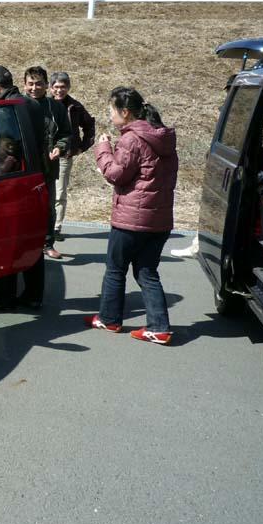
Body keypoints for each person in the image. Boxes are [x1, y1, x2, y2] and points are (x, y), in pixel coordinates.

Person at [88, 87, 178, 345]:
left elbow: (116, 174)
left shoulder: (131, 139)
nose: (110, 115)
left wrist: (103, 148)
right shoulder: (164, 138)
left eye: (112, 110)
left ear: (125, 112)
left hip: (131, 219)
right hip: (159, 219)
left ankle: (109, 318)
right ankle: (159, 327)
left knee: (115, 269)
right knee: (147, 271)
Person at [0, 64, 47, 311]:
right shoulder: (32, 104)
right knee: (31, 240)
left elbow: (8, 152)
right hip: (35, 181)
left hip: (13, 185)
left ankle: (3, 296)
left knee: (6, 241)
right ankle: (33, 295)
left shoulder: (5, 110)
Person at [23, 66, 71, 259]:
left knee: (48, 207)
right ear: (24, 85)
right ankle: (25, 244)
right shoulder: (18, 105)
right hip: (23, 168)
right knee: (24, 208)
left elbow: (66, 133)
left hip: (47, 167)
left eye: (39, 84)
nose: (34, 88)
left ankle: (47, 243)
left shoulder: (56, 107)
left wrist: (60, 147)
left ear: (46, 85)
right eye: (30, 84)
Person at [49, 71, 96, 240]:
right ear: (50, 88)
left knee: (59, 193)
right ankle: (42, 226)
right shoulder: (44, 104)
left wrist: (81, 147)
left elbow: (89, 126)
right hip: (44, 155)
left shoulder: (75, 107)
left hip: (64, 157)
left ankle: (56, 228)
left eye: (63, 87)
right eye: (56, 87)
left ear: (68, 87)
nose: (59, 90)